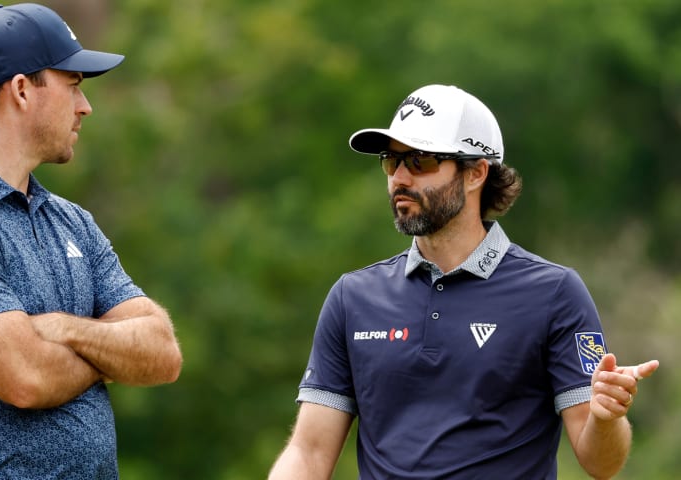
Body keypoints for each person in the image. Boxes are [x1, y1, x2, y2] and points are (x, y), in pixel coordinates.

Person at [269, 84, 659, 479]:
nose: (400, 178)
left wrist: (607, 418)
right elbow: (309, 453)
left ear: (475, 173)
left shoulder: (554, 293)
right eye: (392, 161)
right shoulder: (352, 298)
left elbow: (601, 463)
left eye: (420, 161)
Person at [0, 4, 182, 478]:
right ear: (23, 90)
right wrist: (109, 356)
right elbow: (25, 378)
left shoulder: (72, 220)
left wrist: (64, 331)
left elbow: (163, 354)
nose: (84, 106)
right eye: (73, 85)